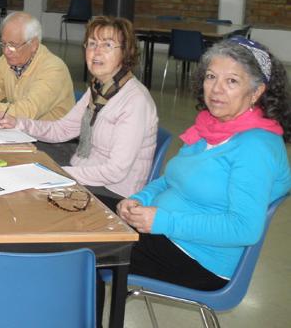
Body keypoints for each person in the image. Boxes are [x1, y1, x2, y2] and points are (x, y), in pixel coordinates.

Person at [107, 36, 290, 321]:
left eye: (232, 81)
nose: (216, 89)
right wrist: (138, 198)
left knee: (83, 246)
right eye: (211, 76)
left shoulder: (256, 147)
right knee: (85, 211)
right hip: (166, 234)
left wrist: (162, 221)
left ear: (256, 92)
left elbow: (244, 228)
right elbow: (171, 180)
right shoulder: (211, 126)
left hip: (199, 259)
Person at [0, 16, 157, 206]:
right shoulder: (98, 89)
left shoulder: (135, 101)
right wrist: (18, 123)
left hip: (113, 193)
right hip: (83, 169)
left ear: (125, 53)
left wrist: (58, 171)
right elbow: (62, 130)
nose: (96, 52)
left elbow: (115, 171)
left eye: (107, 45)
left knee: (28, 190)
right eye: (92, 44)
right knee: (22, 156)